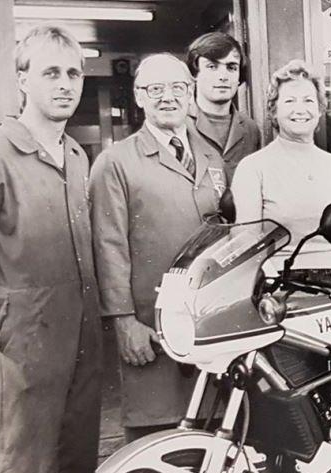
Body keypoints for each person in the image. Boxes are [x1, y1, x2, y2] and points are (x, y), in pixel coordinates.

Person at [0, 25, 102, 473]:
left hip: (82, 343)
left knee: (78, 469)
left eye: (73, 73)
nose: (65, 84)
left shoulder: (78, 159)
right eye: (50, 72)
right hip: (23, 350)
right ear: (22, 80)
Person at [91, 53, 225, 441]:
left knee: (214, 439)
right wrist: (124, 321)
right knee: (156, 444)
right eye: (156, 89)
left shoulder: (211, 157)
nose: (168, 97)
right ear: (138, 96)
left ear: (191, 92)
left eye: (178, 87)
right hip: (151, 328)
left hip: (207, 324)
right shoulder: (115, 163)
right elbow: (107, 245)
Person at [231, 59, 331, 280]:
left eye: (308, 100)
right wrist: (273, 287)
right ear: (273, 111)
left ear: (320, 110)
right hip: (278, 285)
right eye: (289, 101)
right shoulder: (253, 168)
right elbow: (246, 245)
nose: (300, 109)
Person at [185, 32, 261, 182]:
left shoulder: (250, 129)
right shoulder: (180, 124)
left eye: (231, 67)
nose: (223, 76)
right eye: (212, 66)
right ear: (194, 74)